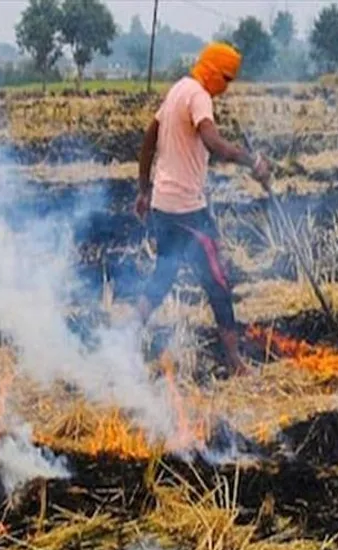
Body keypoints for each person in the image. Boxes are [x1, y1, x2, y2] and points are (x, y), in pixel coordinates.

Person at [132, 41, 271, 377]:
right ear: (213, 72)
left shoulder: (178, 89)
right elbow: (213, 142)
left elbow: (150, 138)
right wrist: (251, 160)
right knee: (218, 283)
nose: (226, 88)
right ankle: (236, 362)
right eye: (226, 79)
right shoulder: (198, 95)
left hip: (163, 207)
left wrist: (144, 189)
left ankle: (123, 337)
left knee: (163, 276)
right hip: (186, 210)